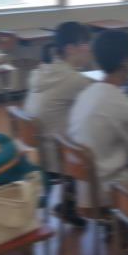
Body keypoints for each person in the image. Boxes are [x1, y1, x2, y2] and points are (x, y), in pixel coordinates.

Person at [67, 30, 128, 208]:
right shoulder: (124, 105)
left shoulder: (86, 94)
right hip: (106, 193)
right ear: (125, 61)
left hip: (82, 187)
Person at [23, 21, 92, 226]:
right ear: (70, 49)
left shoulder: (42, 71)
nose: (90, 49)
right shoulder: (74, 79)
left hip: (37, 150)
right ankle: (98, 207)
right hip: (56, 155)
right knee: (99, 136)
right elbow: (98, 104)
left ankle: (69, 201)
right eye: (86, 44)